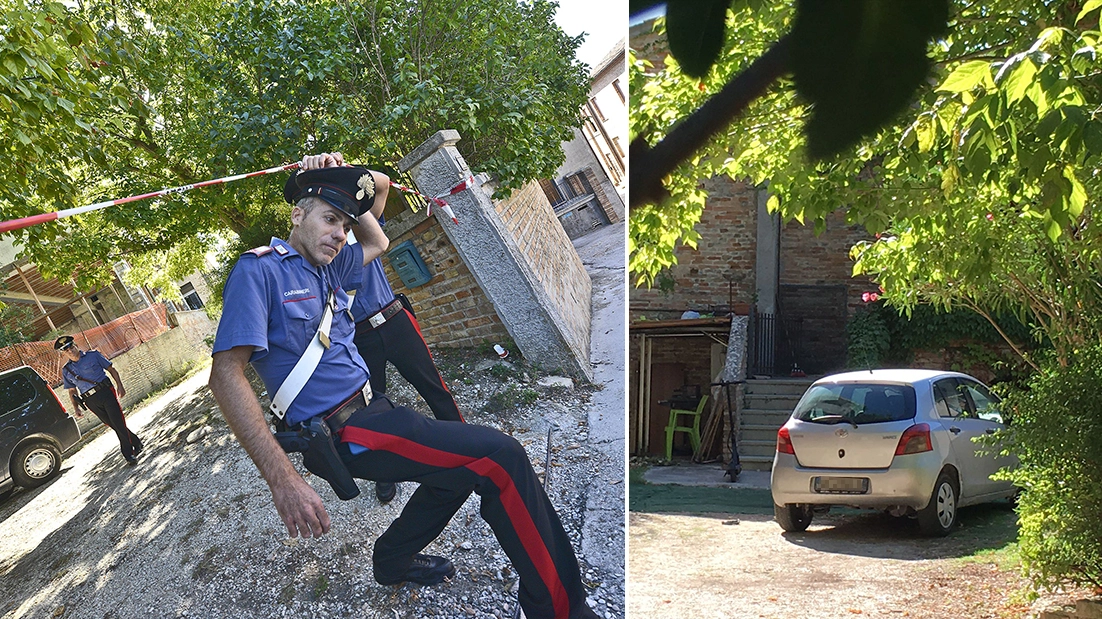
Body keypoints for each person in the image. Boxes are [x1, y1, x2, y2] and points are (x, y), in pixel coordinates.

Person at [208, 153, 597, 619]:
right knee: (501, 457)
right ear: (297, 214)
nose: (339, 233)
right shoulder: (260, 271)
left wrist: (347, 169)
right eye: (329, 219)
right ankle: (562, 611)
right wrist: (282, 479)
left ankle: (390, 561)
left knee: (455, 472)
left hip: (379, 410)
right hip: (349, 432)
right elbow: (225, 375)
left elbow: (379, 233)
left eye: (344, 224)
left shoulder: (330, 266)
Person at [351, 193, 464, 504]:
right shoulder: (317, 252)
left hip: (394, 320)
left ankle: (465, 443)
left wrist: (341, 173)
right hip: (359, 338)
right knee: (371, 410)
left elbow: (382, 185)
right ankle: (386, 474)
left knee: (433, 386)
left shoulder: (359, 227)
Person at [56, 335, 142, 464]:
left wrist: (120, 385)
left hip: (106, 392)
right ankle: (136, 442)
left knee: (118, 422)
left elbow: (111, 369)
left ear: (75, 345)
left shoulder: (93, 355)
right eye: (65, 349)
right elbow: (72, 390)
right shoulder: (66, 370)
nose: (69, 350)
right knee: (113, 424)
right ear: (63, 353)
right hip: (90, 401)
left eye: (70, 346)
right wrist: (76, 408)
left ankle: (128, 453)